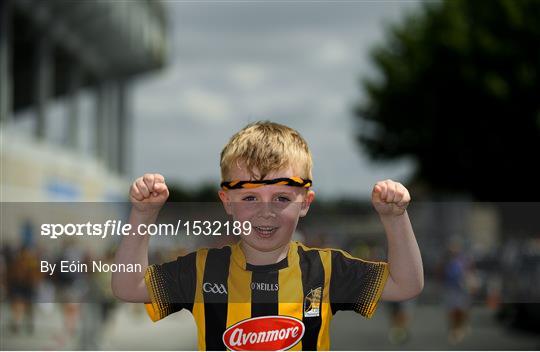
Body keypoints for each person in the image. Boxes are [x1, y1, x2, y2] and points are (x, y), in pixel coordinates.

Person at [112, 121, 424, 350]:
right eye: (250, 198)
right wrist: (143, 215)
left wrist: (395, 219)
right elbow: (128, 286)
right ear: (227, 202)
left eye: (282, 198)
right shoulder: (202, 270)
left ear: (305, 203)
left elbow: (406, 285)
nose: (266, 212)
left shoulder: (325, 270)